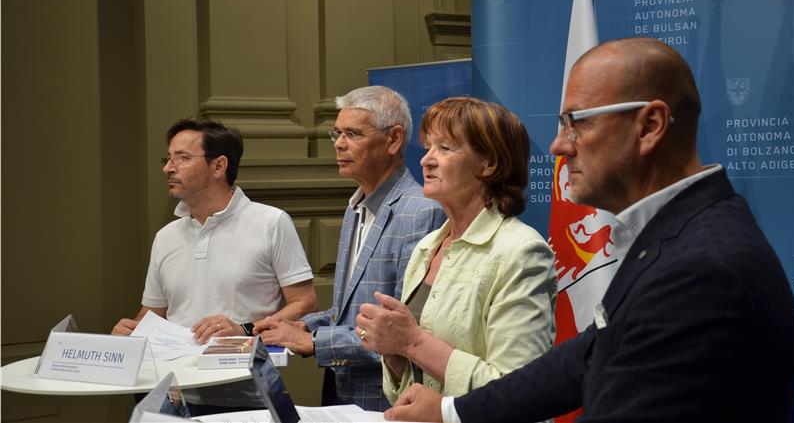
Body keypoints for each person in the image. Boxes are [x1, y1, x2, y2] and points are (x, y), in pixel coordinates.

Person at [383, 38, 794, 423]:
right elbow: (584, 359)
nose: (558, 146)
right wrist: (451, 411)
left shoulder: (700, 268)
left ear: (650, 125)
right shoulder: (673, 233)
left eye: (576, 122)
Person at [355, 97, 557, 407]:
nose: (427, 160)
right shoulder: (427, 247)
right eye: (428, 148)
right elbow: (409, 389)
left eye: (445, 148)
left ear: (489, 164)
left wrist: (412, 341)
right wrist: (392, 351)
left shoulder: (521, 252)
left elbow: (519, 391)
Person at [256, 86, 446, 411]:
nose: (339, 144)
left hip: (387, 402)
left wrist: (314, 341)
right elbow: (346, 312)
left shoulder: (421, 212)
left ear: (394, 139)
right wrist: (303, 325)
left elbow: (405, 332)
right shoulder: (355, 207)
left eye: (353, 134)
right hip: (341, 394)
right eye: (337, 133)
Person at [112, 118, 317, 414]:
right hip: (170, 393)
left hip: (242, 391)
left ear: (219, 166)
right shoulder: (166, 236)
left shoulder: (271, 222)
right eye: (167, 158)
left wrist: (244, 329)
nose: (168, 168)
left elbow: (305, 303)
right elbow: (152, 314)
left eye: (182, 158)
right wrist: (130, 333)